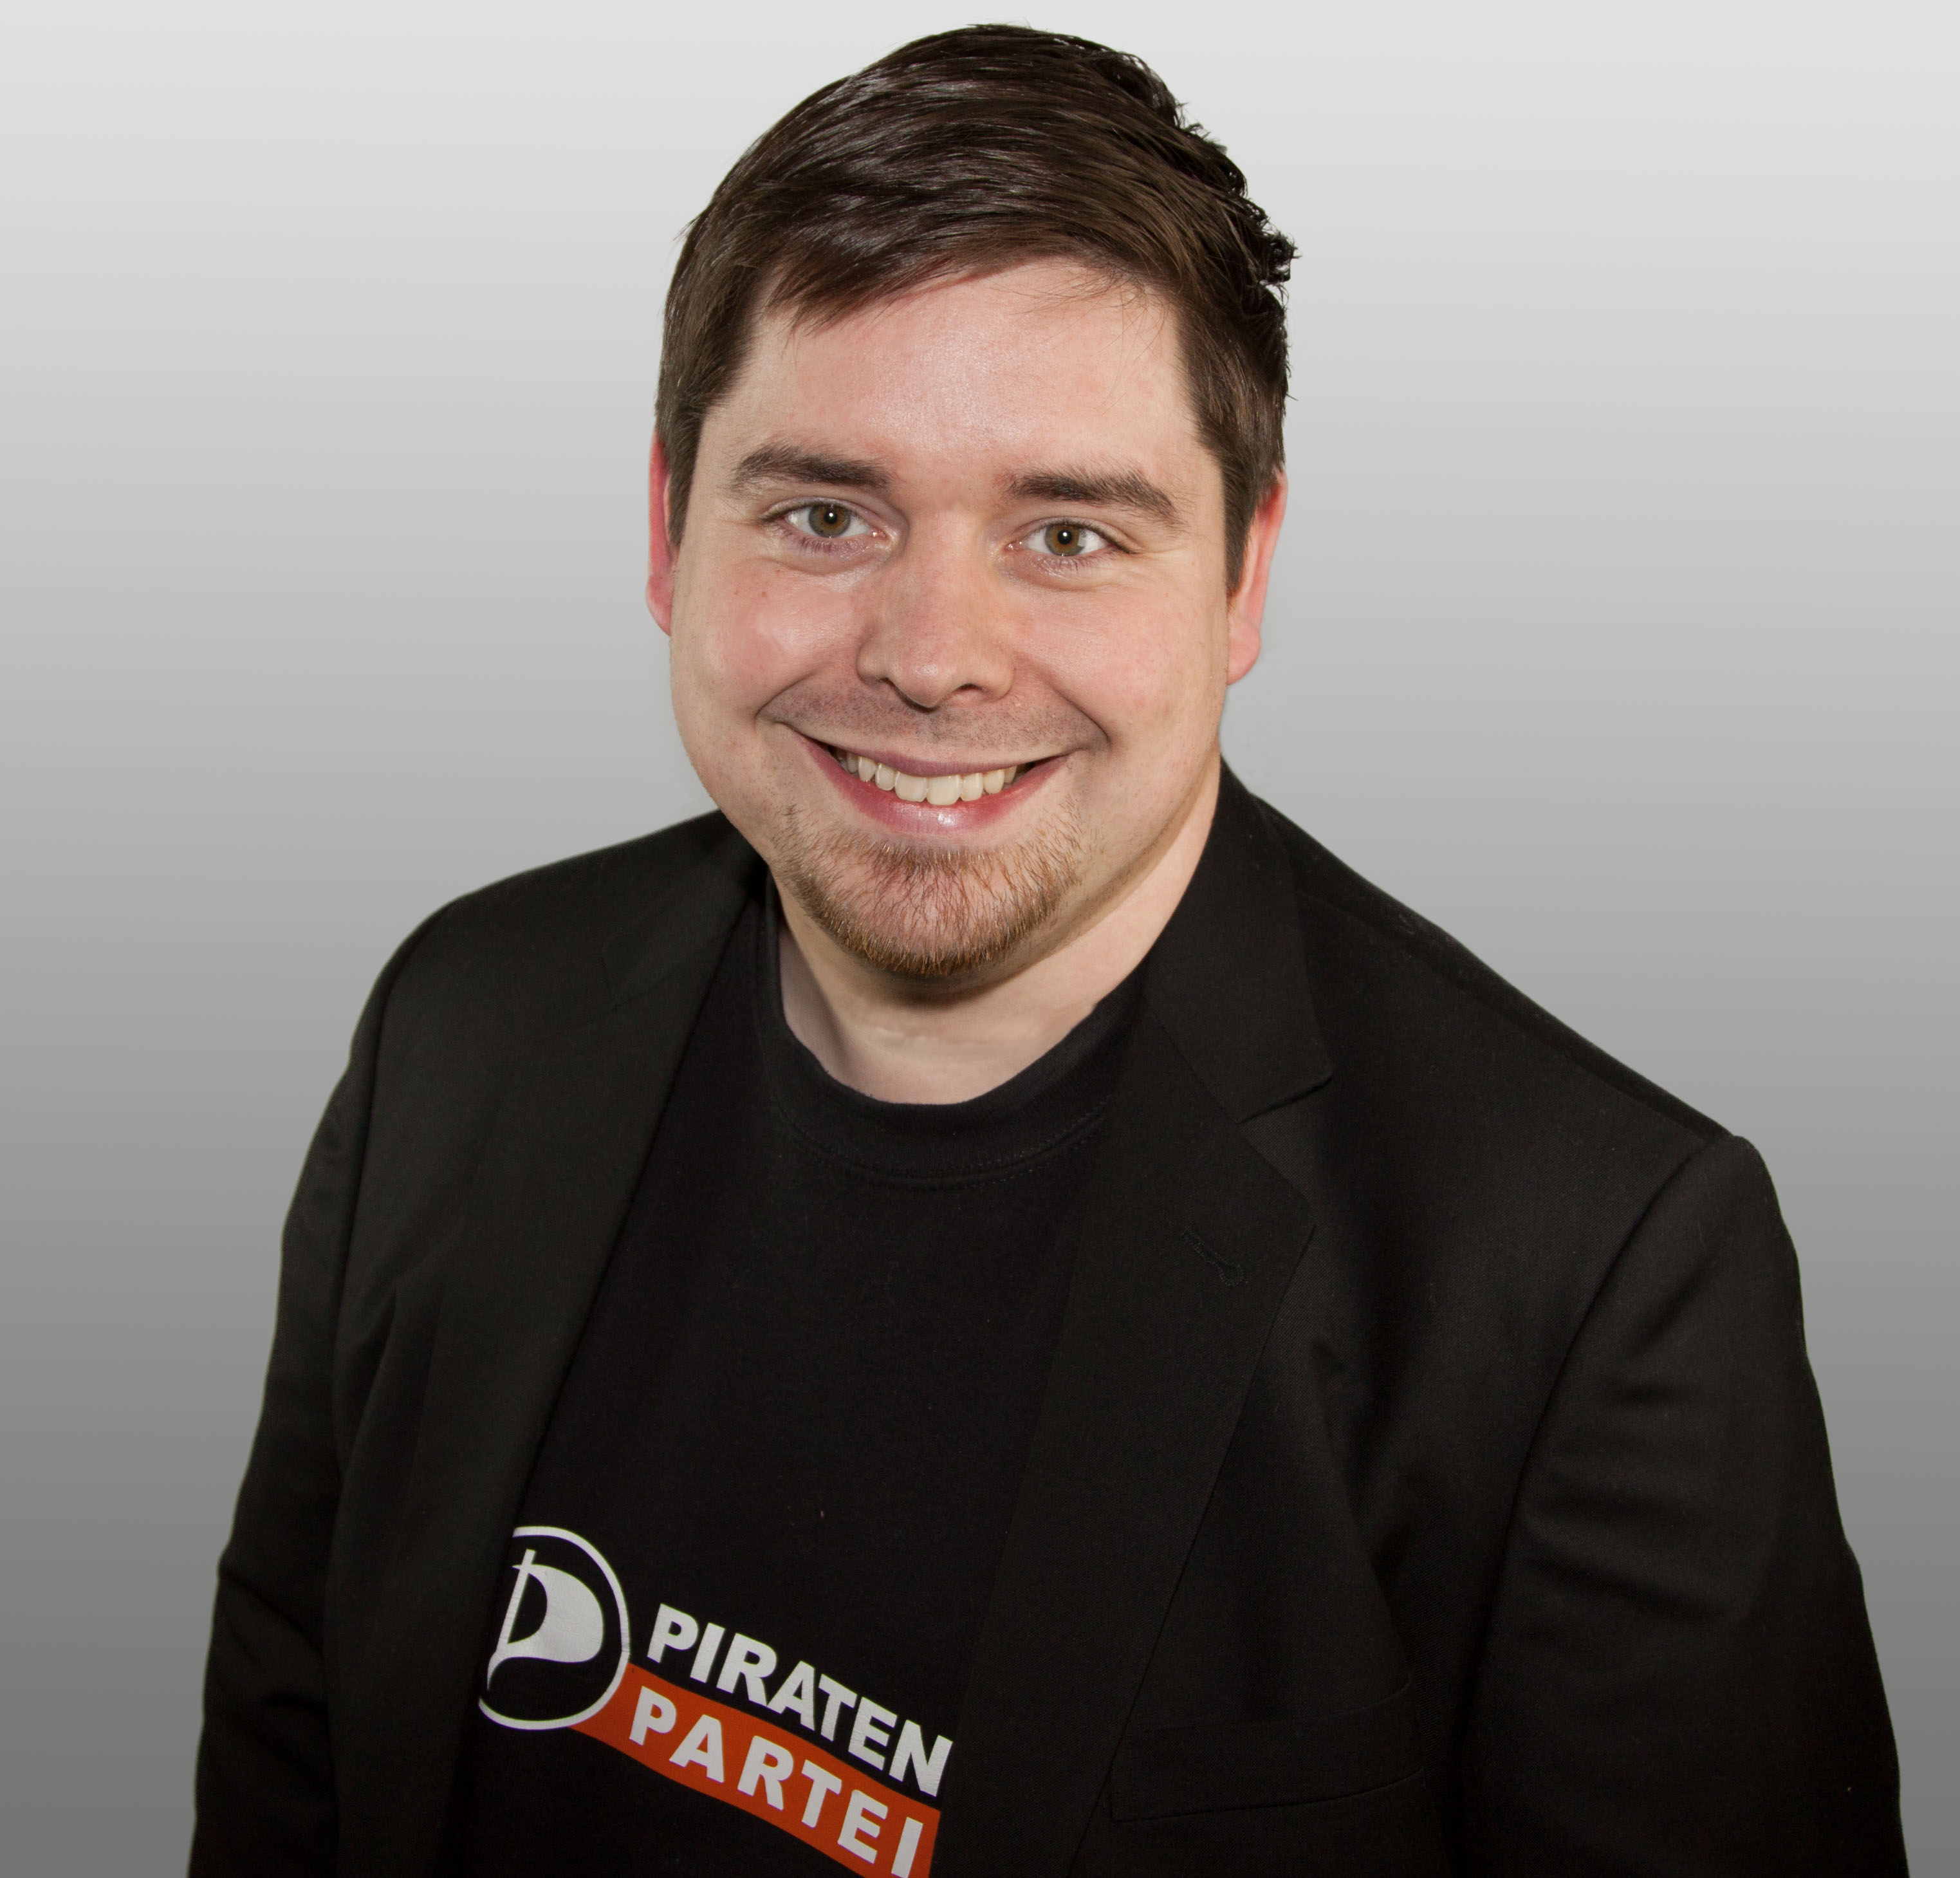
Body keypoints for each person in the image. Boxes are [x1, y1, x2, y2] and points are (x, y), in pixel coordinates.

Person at [190, 26, 1905, 1877]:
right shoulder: (460, 1023)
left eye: (1069, 533)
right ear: (672, 532)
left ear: (1242, 578)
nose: (935, 655)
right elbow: (290, 1777)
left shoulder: (1583, 1271)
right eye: (825, 515)